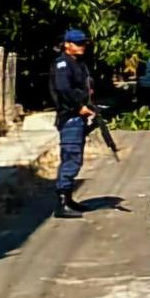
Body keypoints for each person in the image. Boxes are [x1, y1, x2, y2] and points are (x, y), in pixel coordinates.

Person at [49, 29, 96, 219]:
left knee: (75, 158)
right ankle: (62, 202)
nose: (82, 46)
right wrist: (79, 107)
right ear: (67, 45)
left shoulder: (78, 64)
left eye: (84, 43)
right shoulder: (62, 64)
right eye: (78, 43)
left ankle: (68, 200)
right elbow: (63, 90)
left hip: (79, 117)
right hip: (70, 117)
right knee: (71, 158)